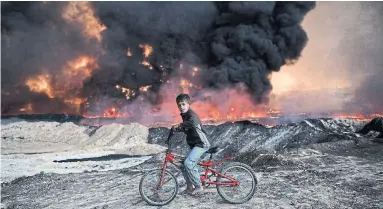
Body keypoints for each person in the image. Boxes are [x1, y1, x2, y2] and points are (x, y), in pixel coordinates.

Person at [171, 93, 211, 195]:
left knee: (188, 163)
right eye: (179, 105)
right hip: (195, 144)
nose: (181, 107)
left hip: (201, 144)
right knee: (183, 164)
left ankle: (198, 186)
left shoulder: (192, 115)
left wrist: (179, 125)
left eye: (183, 104)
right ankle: (189, 187)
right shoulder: (185, 116)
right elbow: (186, 127)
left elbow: (192, 123)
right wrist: (176, 129)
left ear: (189, 104)